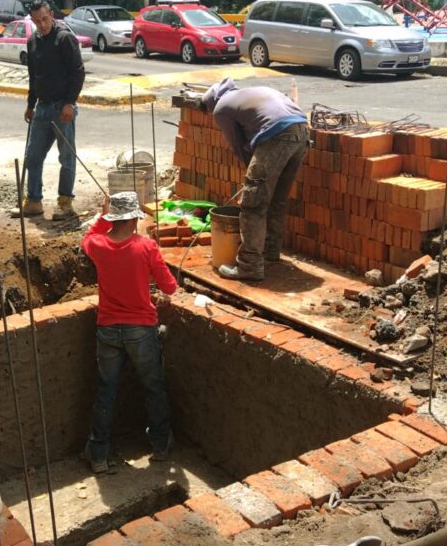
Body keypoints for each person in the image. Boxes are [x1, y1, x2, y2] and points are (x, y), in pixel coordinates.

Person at [80, 191, 177, 474]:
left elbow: (87, 238)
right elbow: (169, 287)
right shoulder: (146, 247)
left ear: (112, 218)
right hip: (141, 330)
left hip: (108, 330)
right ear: (134, 217)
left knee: (105, 392)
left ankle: (98, 455)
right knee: (153, 388)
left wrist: (101, 214)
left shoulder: (97, 244)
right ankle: (160, 448)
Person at [203, 78, 309, 282]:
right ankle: (270, 252)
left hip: (278, 135)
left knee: (253, 204)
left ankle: (250, 266)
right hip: (302, 132)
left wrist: (252, 183)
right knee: (276, 199)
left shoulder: (221, 109)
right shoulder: (249, 93)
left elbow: (237, 144)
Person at [10, 0, 86, 221]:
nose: (42, 25)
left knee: (66, 157)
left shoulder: (64, 39)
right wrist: (30, 103)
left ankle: (65, 203)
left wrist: (70, 103)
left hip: (63, 107)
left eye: (45, 19)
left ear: (51, 15)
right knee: (32, 155)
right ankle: (33, 201)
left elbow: (78, 72)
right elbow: (34, 76)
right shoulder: (32, 41)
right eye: (37, 21)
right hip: (42, 108)